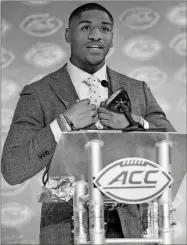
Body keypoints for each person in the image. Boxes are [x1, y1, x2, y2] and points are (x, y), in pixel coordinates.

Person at [1, 2, 176, 245]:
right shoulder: (39, 93)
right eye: (85, 28)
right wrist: (64, 123)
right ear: (68, 35)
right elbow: (12, 168)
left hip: (132, 228)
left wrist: (134, 124)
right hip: (67, 228)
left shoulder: (138, 90)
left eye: (104, 29)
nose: (96, 35)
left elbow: (174, 147)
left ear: (112, 39)